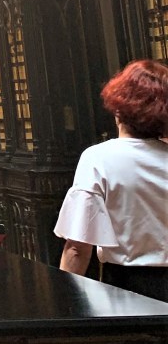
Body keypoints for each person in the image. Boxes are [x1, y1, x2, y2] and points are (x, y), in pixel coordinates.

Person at [54, 59, 168, 302]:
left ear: (119, 109)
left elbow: (78, 247)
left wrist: (64, 303)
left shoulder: (98, 158)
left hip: (126, 287)